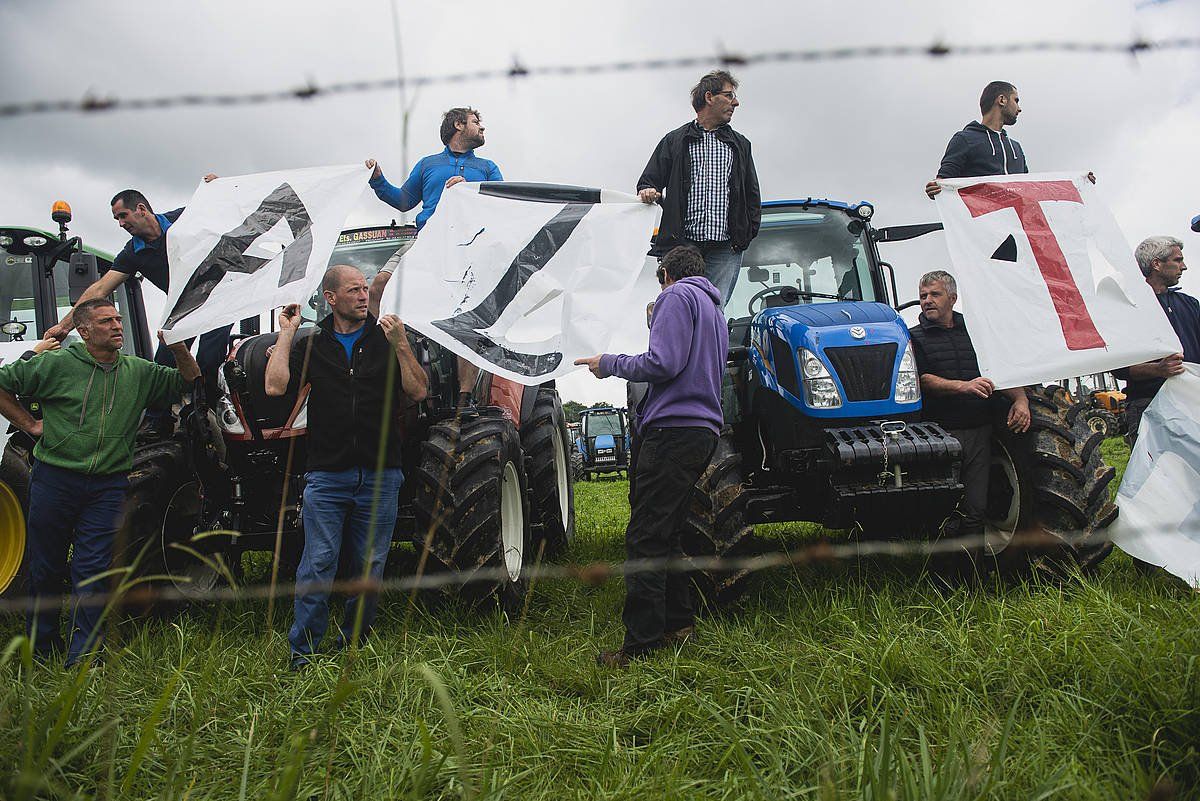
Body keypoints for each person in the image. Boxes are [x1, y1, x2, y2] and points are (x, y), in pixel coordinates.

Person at [0, 298, 199, 666]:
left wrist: (178, 345)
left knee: (92, 570)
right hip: (55, 480)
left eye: (119, 319)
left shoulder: (138, 371)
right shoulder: (55, 365)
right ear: (85, 331)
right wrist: (28, 424)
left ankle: (83, 656)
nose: (118, 326)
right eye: (107, 321)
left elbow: (188, 382)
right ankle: (41, 646)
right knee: (46, 567)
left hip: (107, 486)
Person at [265, 265, 427, 671]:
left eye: (364, 289)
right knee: (319, 561)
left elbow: (419, 389)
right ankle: (303, 653)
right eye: (353, 289)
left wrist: (402, 344)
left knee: (370, 564)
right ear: (331, 298)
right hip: (327, 475)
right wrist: (286, 334)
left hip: (381, 474)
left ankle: (353, 641)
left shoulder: (386, 339)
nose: (362, 295)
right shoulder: (314, 344)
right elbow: (274, 385)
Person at [574, 245, 727, 667]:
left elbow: (663, 363)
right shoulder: (714, 310)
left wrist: (610, 362)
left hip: (672, 431)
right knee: (669, 533)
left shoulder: (675, 297)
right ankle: (679, 624)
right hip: (702, 431)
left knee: (644, 538)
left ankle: (639, 647)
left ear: (665, 273)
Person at [46, 184, 230, 434]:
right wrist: (64, 326)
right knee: (163, 363)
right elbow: (99, 289)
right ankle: (157, 421)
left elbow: (226, 205)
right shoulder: (133, 253)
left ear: (141, 209)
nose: (121, 224)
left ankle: (211, 415)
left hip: (221, 299)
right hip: (183, 307)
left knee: (208, 360)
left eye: (123, 216)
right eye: (116, 219)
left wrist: (218, 186)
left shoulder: (185, 218)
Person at [366, 107, 503, 403]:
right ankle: (387, 353)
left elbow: (501, 202)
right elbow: (403, 201)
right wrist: (377, 179)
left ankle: (465, 397)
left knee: (465, 318)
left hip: (467, 244)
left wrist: (471, 190)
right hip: (427, 240)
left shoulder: (487, 167)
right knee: (378, 286)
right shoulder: (428, 165)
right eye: (477, 122)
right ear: (458, 125)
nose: (482, 128)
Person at [907, 271, 1031, 538]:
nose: (927, 301)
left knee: (975, 509)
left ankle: (974, 577)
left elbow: (999, 371)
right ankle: (943, 577)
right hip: (940, 436)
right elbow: (922, 380)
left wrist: (1020, 399)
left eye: (934, 295)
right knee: (944, 511)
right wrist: (964, 386)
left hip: (979, 433)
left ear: (952, 298)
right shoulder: (912, 337)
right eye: (922, 296)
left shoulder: (976, 332)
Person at [637, 70, 761, 303]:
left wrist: (746, 234)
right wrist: (648, 190)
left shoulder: (740, 145)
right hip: (682, 244)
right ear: (709, 97)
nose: (736, 102)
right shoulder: (675, 140)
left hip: (726, 246)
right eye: (729, 95)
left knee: (714, 309)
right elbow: (649, 181)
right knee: (680, 306)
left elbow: (752, 195)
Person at [926, 81, 1095, 198]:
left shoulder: (1016, 148)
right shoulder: (964, 139)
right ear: (1002, 100)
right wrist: (936, 189)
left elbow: (1031, 189)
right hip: (980, 238)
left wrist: (1078, 183)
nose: (1019, 108)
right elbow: (944, 184)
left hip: (1014, 237)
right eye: (1016, 100)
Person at [1113, 237, 1196, 444]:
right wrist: (1158, 370)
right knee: (1154, 473)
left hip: (1191, 403)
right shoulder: (1128, 308)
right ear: (1156, 264)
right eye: (1177, 260)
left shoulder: (1190, 305)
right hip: (1149, 404)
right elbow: (1118, 367)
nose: (1184, 267)